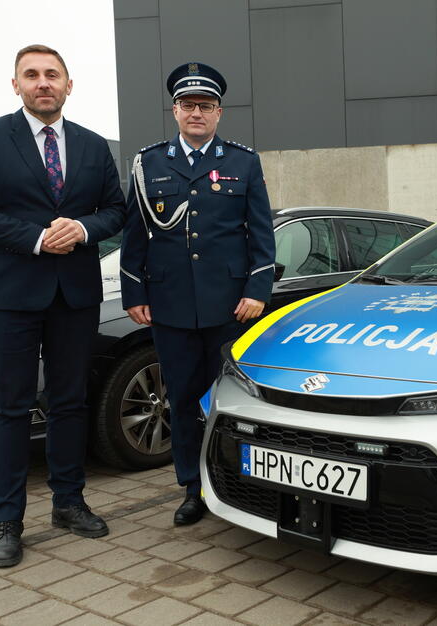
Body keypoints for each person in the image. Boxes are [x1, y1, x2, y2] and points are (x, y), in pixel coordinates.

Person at [0, 44, 126, 567]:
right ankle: (6, 521)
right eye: (32, 75)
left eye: (52, 74)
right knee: (10, 406)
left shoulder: (93, 146)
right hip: (10, 297)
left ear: (69, 85)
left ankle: (68, 503)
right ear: (16, 85)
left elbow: (116, 210)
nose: (42, 82)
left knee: (71, 402)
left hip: (74, 294)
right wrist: (34, 238)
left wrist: (85, 227)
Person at [119, 62, 275, 526]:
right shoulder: (148, 163)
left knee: (227, 403)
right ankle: (193, 488)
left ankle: (236, 484)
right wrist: (134, 292)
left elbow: (260, 235)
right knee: (182, 402)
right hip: (169, 307)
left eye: (205, 106)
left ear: (219, 113)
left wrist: (257, 289)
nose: (196, 113)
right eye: (188, 105)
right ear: (175, 110)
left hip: (229, 306)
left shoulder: (243, 162)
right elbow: (135, 233)